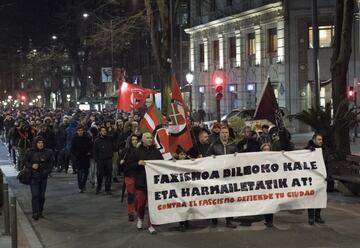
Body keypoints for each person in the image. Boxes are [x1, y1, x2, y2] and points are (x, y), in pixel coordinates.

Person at [208, 126, 238, 228]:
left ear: (228, 134)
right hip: (217, 176)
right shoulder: (214, 145)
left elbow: (238, 159)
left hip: (229, 176)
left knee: (229, 199)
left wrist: (237, 155)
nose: (225, 134)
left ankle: (229, 220)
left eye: (226, 132)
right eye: (223, 132)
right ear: (220, 134)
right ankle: (214, 217)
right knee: (216, 197)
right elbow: (206, 158)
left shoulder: (233, 144)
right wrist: (210, 158)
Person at [133, 132, 163, 234]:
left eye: (151, 138)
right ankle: (140, 218)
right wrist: (137, 163)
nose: (150, 139)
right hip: (141, 182)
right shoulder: (136, 152)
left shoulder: (156, 152)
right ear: (142, 140)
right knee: (141, 205)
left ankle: (151, 225)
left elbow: (163, 164)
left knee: (152, 205)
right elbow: (128, 165)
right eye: (147, 138)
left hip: (153, 183)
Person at [24, 136, 54, 220]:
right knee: (35, 195)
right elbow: (25, 161)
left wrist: (47, 171)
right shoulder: (30, 152)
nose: (40, 144)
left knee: (42, 196)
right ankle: (35, 212)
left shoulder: (48, 152)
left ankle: (40, 211)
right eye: (39, 143)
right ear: (35, 143)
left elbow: (51, 162)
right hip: (33, 177)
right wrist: (31, 165)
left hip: (43, 177)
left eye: (42, 143)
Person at [305, 133, 328, 225]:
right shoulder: (308, 149)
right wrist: (308, 151)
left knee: (320, 197)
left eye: (321, 140)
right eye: (319, 140)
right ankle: (311, 217)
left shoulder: (324, 149)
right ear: (314, 140)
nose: (321, 141)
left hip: (321, 177)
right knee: (311, 197)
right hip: (311, 177)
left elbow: (327, 162)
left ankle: (318, 216)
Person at [119, 134, 140, 221]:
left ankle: (136, 210)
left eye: (136, 139)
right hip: (129, 177)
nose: (135, 141)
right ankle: (130, 213)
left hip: (139, 177)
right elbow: (120, 166)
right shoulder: (125, 151)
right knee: (131, 195)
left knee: (138, 195)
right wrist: (121, 163)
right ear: (130, 141)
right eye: (133, 140)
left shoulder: (140, 151)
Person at [71, 126, 92, 193]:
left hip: (86, 157)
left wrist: (89, 152)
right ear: (77, 131)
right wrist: (75, 155)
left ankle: (83, 184)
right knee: (79, 173)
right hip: (78, 158)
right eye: (79, 130)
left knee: (86, 172)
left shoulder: (87, 138)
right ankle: (80, 187)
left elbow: (90, 146)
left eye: (81, 130)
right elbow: (72, 149)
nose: (80, 131)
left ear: (83, 131)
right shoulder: (74, 139)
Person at [93, 126, 114, 195]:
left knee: (109, 174)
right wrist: (96, 160)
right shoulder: (97, 140)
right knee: (99, 175)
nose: (104, 132)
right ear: (100, 132)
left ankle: (107, 189)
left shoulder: (110, 138)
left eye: (105, 130)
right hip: (100, 160)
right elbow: (95, 151)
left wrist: (113, 128)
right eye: (102, 130)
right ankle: (99, 187)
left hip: (109, 159)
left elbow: (116, 136)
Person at [260, 143, 274, 227]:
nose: (266, 151)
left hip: (270, 184)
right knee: (264, 202)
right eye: (264, 149)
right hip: (261, 184)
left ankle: (270, 220)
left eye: (267, 149)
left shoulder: (274, 159)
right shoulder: (257, 159)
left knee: (270, 202)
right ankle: (267, 219)